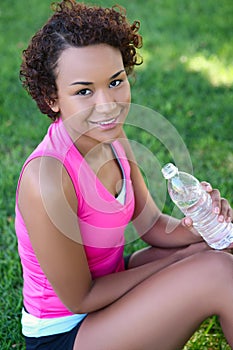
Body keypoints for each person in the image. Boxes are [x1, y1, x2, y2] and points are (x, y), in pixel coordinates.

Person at [16, 1, 233, 349]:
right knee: (219, 273)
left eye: (115, 82)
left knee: (224, 244)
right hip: (68, 333)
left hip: (111, 289)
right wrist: (183, 260)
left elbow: (151, 225)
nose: (107, 104)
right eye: (84, 91)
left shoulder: (112, 137)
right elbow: (81, 298)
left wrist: (197, 230)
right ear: (51, 96)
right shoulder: (47, 178)